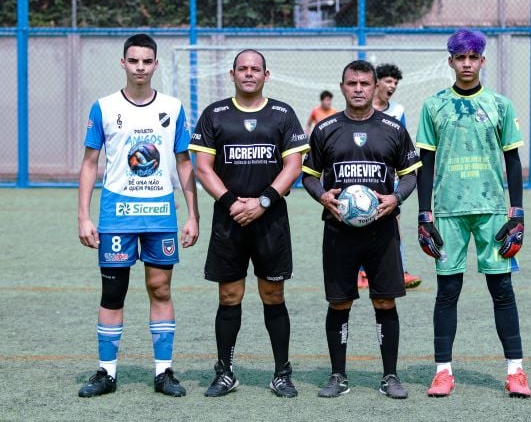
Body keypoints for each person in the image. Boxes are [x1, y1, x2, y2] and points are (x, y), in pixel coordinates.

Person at [77, 33, 200, 398]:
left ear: (156, 64)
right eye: (134, 61)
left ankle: (163, 373)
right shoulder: (103, 107)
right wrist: (83, 216)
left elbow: (184, 164)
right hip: (117, 216)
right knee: (113, 292)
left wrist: (193, 215)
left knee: (160, 288)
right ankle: (106, 373)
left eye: (147, 61)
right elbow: (89, 164)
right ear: (123, 63)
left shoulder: (174, 108)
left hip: (160, 215)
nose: (141, 68)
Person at [416, 29, 531, 398]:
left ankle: (516, 372)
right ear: (450, 62)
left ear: (482, 61)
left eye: (473, 57)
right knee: (448, 291)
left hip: (493, 212)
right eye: (459, 58)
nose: (466, 64)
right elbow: (425, 163)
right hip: (448, 212)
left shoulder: (500, 104)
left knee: (502, 290)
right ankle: (443, 372)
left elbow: (512, 160)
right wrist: (424, 215)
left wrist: (517, 214)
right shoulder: (434, 105)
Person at [189, 49, 309, 398]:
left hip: (270, 220)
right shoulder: (215, 114)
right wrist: (231, 202)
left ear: (266, 75)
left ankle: (282, 373)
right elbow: (202, 167)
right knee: (229, 295)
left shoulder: (283, 114)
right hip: (229, 220)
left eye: (255, 69)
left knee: (273, 294)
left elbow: (294, 166)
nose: (249, 74)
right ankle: (225, 372)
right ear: (232, 74)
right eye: (242, 69)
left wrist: (264, 201)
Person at [302, 60, 421, 399]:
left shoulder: (393, 128)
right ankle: (338, 375)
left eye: (364, 84)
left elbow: (412, 172)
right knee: (339, 303)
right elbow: (309, 175)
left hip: (382, 231)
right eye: (352, 83)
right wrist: (322, 196)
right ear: (342, 87)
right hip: (339, 231)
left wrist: (396, 197)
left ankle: (390, 376)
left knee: (384, 301)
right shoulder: (325, 129)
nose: (358, 89)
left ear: (374, 88)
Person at [356, 63, 421, 290]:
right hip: (359, 176)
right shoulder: (360, 108)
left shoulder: (398, 110)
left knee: (393, 221)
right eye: (388, 81)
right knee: (358, 220)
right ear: (376, 83)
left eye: (395, 82)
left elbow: (401, 145)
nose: (392, 85)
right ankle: (360, 272)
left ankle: (398, 270)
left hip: (388, 179)